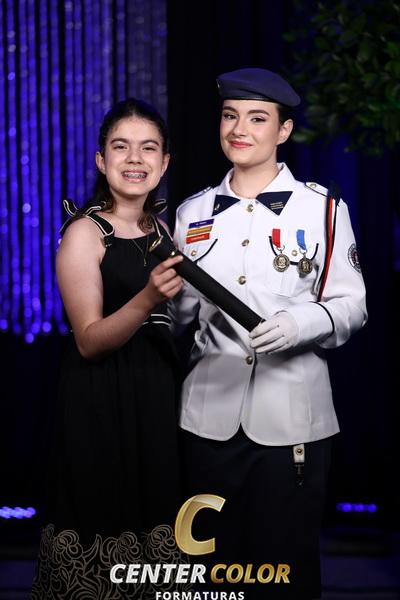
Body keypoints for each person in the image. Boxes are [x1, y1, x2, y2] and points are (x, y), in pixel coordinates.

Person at [172, 68, 367, 599]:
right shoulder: (191, 212)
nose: (239, 129)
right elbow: (182, 316)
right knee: (208, 577)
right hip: (206, 419)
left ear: (283, 130)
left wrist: (301, 323)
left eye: (257, 119)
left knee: (285, 575)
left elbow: (353, 306)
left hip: (292, 423)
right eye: (229, 116)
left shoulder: (323, 209)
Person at [31, 98, 186, 599]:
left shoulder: (163, 231)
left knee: (156, 543)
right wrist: (148, 298)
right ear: (102, 160)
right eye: (121, 147)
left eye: (149, 148)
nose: (135, 159)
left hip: (155, 398)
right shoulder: (85, 232)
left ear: (165, 162)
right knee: (100, 546)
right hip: (101, 401)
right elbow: (89, 341)